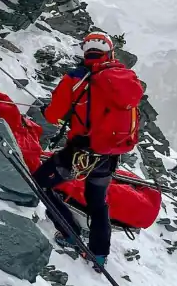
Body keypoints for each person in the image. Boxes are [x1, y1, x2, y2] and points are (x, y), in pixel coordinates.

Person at [35, 31, 144, 270]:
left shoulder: (76, 78)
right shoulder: (127, 80)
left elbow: (53, 115)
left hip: (79, 152)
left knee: (40, 182)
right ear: (110, 52)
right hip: (109, 153)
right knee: (98, 202)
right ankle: (99, 255)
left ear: (86, 52)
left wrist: (47, 112)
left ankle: (69, 231)